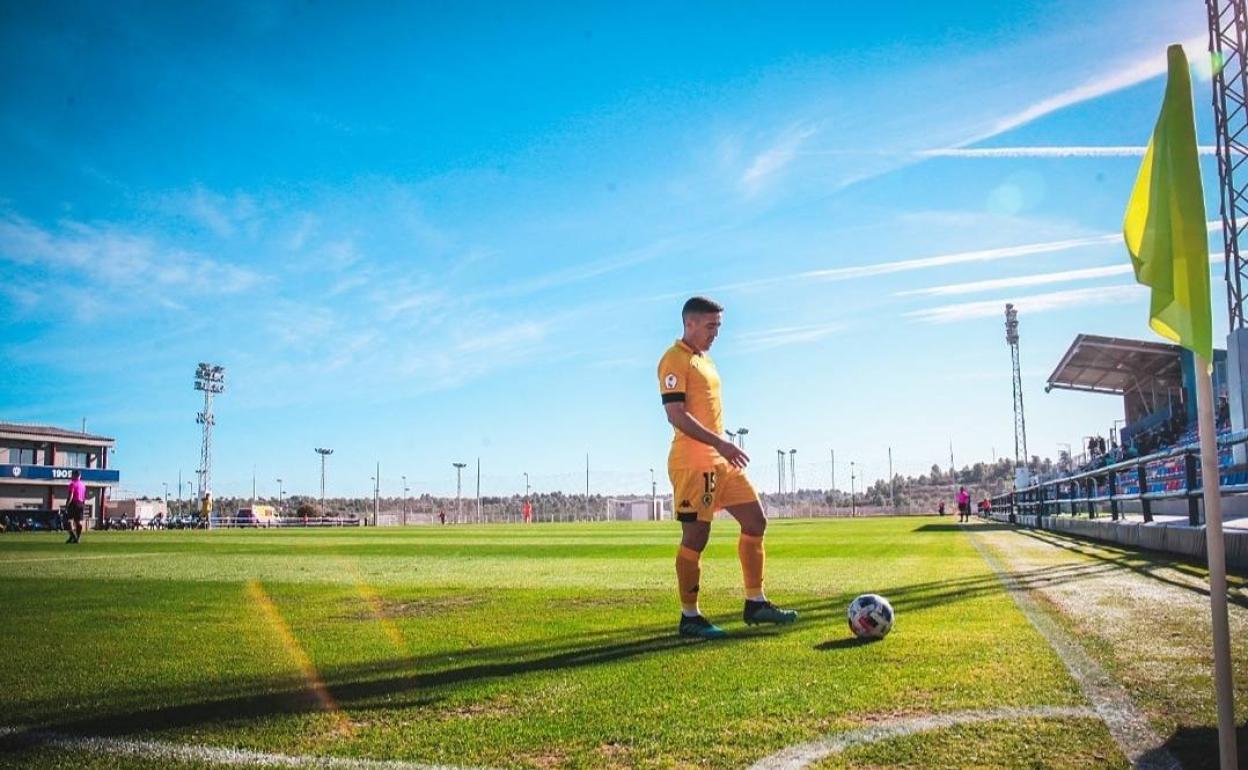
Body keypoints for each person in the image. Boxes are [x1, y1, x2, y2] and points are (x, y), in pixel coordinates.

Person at [658, 296, 798, 639]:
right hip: (693, 462)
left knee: (755, 521)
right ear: (689, 323)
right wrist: (719, 442)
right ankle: (690, 616)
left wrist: (721, 447)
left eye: (718, 326)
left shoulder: (706, 361)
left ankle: (755, 603)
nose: (716, 333)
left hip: (721, 462)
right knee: (696, 535)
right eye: (710, 326)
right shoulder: (674, 360)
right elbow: (676, 415)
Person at [62, 470, 86, 544]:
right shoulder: (83, 485)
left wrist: (66, 506)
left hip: (74, 503)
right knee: (77, 521)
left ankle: (72, 536)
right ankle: (77, 538)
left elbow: (71, 496)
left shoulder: (72, 484)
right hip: (81, 503)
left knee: (66, 520)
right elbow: (84, 497)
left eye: (72, 475)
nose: (71, 477)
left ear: (75, 475)